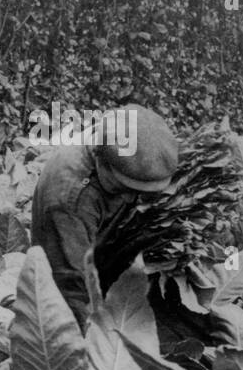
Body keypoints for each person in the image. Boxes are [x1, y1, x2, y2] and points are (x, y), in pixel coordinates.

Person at [30, 105, 179, 327]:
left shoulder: (124, 140)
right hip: (65, 277)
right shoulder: (70, 199)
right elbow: (71, 287)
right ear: (101, 161)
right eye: (122, 189)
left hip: (99, 254)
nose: (131, 200)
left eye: (139, 192)